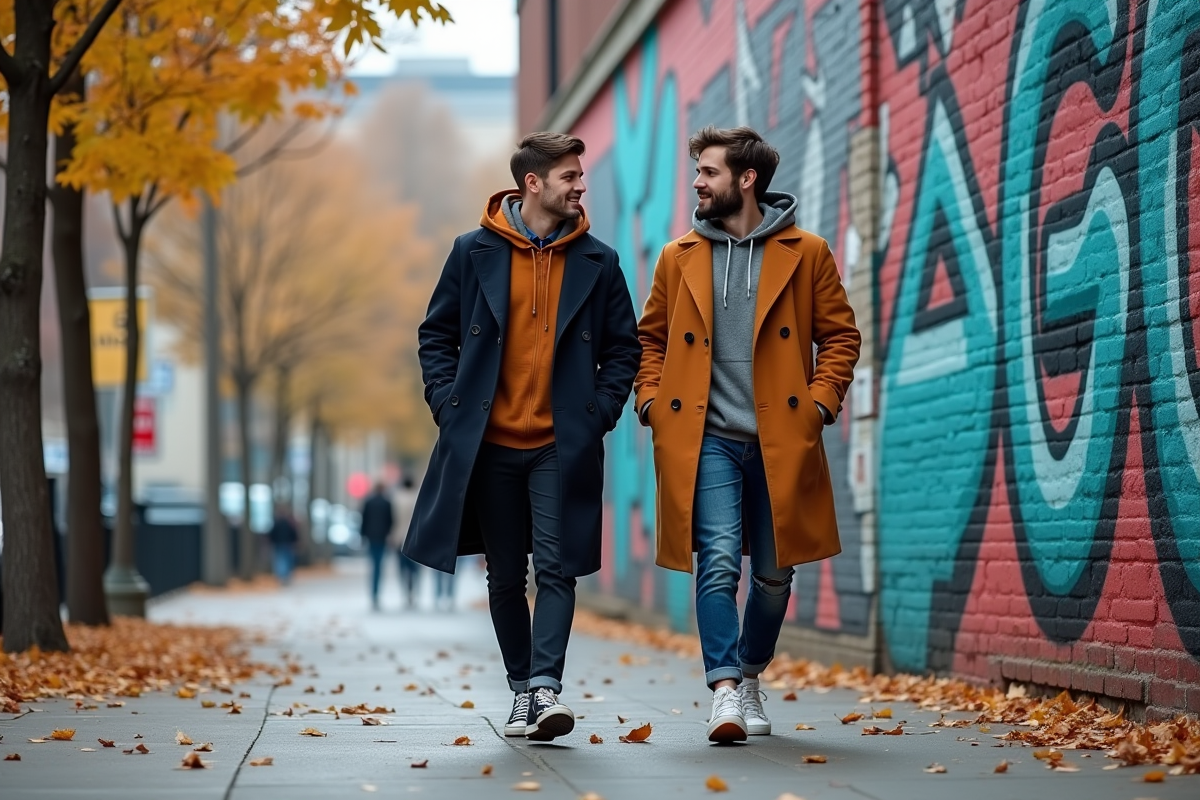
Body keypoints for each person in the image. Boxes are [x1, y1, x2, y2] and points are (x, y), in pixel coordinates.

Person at [404, 132, 640, 741]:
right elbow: (436, 336)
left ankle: (545, 688)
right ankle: (520, 692)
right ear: (531, 183)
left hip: (562, 445)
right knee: (507, 575)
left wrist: (598, 412)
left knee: (557, 568)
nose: (579, 185)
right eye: (568, 176)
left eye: (580, 174)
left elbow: (623, 349)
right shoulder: (471, 251)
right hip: (489, 444)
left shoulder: (600, 261)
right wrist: (447, 405)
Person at [635, 126, 860, 743]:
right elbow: (649, 339)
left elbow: (840, 336)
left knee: (773, 575)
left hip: (779, 436)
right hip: (704, 436)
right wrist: (653, 401)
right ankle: (726, 690)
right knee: (717, 564)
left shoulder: (807, 251)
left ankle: (752, 673)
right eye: (697, 172)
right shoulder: (677, 255)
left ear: (745, 179)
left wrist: (818, 405)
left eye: (707, 172)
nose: (698, 184)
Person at [359, 483, 394, 610]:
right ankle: (376, 593)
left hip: (371, 537)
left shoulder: (368, 502)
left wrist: (362, 536)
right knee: (379, 566)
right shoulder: (387, 503)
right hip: (382, 538)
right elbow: (390, 521)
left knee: (373, 565)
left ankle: (373, 594)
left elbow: (363, 519)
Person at [390, 476, 421, 609]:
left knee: (402, 568)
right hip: (415, 539)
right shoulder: (418, 497)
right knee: (415, 569)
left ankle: (405, 592)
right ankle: (413, 592)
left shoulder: (396, 499)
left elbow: (392, 519)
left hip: (399, 538)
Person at [268, 503, 299, 586]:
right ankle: (284, 575)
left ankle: (282, 575)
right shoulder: (288, 523)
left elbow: (272, 534)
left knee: (280, 560)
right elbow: (293, 533)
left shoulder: (277, 523)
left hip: (280, 544)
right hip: (285, 544)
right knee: (285, 560)